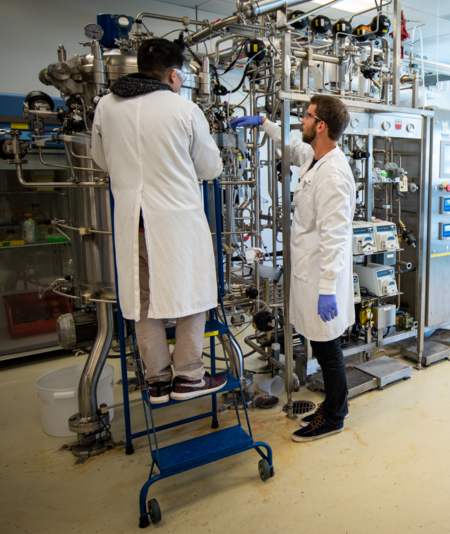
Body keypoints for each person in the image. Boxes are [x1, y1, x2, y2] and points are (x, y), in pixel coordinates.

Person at [92, 38, 227, 404]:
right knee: (195, 294)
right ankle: (189, 377)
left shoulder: (105, 106)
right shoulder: (182, 108)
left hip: (132, 223)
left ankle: (156, 382)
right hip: (175, 223)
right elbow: (210, 167)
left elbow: (101, 160)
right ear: (172, 74)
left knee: (143, 301)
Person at [231, 95, 355, 442]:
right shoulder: (316, 160)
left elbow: (335, 238)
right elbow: (291, 148)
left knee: (328, 349)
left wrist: (328, 288)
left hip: (321, 276)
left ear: (321, 126)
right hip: (308, 272)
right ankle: (332, 407)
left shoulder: (333, 174)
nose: (302, 120)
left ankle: (335, 415)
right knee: (321, 344)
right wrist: (263, 124)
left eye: (307, 115)